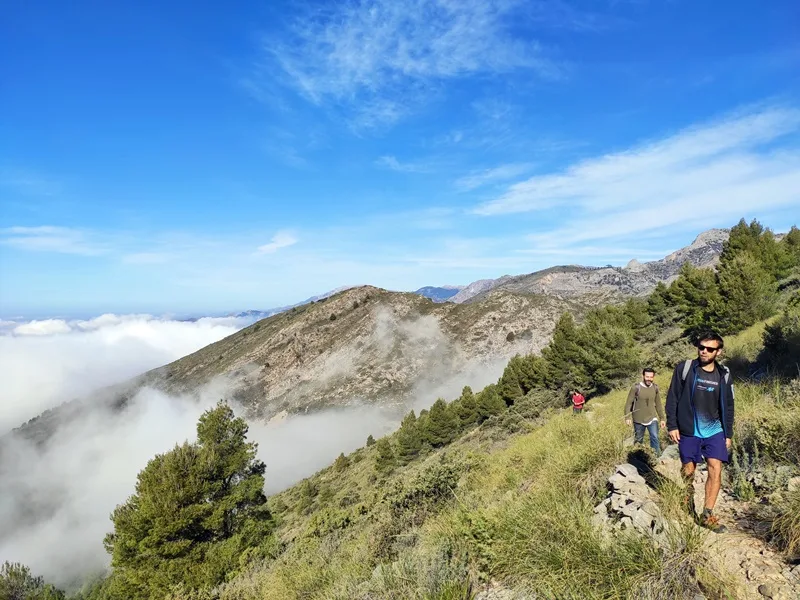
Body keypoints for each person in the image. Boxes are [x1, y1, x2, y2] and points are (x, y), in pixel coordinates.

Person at [665, 330, 734, 533]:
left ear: (718, 352)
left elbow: (729, 406)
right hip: (689, 429)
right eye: (701, 347)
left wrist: (728, 434)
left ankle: (707, 514)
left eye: (709, 349)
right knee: (689, 469)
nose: (704, 351)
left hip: (715, 430)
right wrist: (672, 425)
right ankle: (687, 494)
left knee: (715, 467)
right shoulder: (685, 369)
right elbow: (673, 398)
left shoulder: (724, 375)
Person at [624, 367, 665, 454]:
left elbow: (658, 404)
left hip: (652, 417)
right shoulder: (636, 388)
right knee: (638, 440)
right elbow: (628, 403)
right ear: (643, 376)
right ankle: (637, 458)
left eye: (651, 377)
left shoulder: (655, 388)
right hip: (638, 419)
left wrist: (662, 418)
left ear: (653, 377)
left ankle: (656, 458)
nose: (649, 379)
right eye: (647, 377)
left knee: (655, 437)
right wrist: (627, 417)